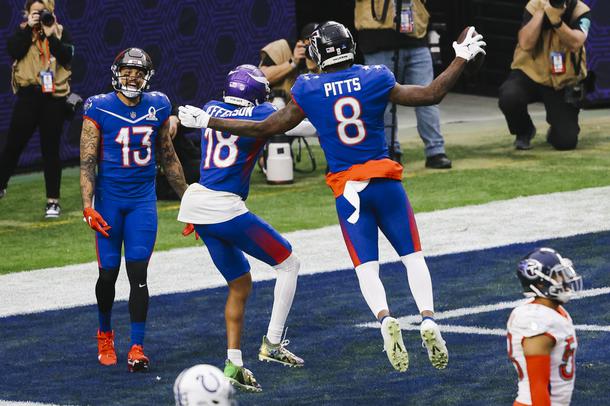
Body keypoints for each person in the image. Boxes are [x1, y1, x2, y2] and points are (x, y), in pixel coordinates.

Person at [179, 22, 486, 372]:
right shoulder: (376, 76)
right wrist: (460, 57)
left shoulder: (308, 87)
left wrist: (209, 122)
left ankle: (385, 317)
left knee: (366, 266)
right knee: (413, 257)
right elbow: (431, 94)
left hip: (348, 190)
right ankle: (429, 319)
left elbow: (267, 128)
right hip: (385, 181)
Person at [178, 65, 304, 392]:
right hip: (225, 207)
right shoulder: (263, 111)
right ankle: (273, 343)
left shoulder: (209, 108)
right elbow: (292, 125)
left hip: (199, 205)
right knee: (288, 263)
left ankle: (233, 364)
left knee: (240, 284)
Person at [80, 48, 188, 372]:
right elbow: (86, 163)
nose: (132, 77)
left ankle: (137, 347)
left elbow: (168, 157)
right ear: (116, 72)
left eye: (138, 73)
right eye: (127, 71)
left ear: (147, 77)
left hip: (142, 202)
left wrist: (189, 201)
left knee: (138, 275)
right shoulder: (98, 107)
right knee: (108, 274)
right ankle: (105, 335)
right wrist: (87, 206)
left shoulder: (158, 105)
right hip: (110, 202)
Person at [354, 0, 451, 168]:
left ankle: (436, 151)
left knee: (428, 96)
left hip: (416, 36)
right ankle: (390, 150)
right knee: (382, 101)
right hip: (377, 39)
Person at [0, 0, 74, 216]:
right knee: (12, 146)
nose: (40, 16)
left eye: (43, 12)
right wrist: (29, 30)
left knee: (50, 150)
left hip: (54, 99)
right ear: (27, 14)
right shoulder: (22, 33)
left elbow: (66, 57)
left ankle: (53, 201)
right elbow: (14, 51)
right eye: (35, 13)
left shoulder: (60, 32)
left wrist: (51, 34)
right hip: (28, 97)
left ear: (51, 12)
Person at [498, 0, 591, 150]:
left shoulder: (580, 10)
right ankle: (524, 130)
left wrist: (557, 21)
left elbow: (576, 42)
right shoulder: (535, 5)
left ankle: (555, 130)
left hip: (562, 80)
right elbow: (525, 43)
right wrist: (542, 12)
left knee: (566, 142)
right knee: (509, 96)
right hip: (531, 72)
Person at [507, 247, 583, 405]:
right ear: (541, 284)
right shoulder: (536, 319)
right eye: (559, 275)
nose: (566, 279)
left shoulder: (554, 310)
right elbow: (538, 385)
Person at [259, 22, 320, 107]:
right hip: (281, 107)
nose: (311, 50)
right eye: (309, 45)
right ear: (301, 42)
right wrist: (293, 62)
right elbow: (262, 78)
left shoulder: (324, 54)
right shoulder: (283, 48)